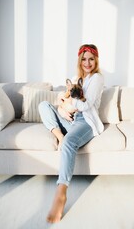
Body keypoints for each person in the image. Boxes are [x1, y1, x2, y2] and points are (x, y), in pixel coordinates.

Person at [38, 44, 104, 223]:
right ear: (79, 60)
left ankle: (61, 193)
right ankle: (60, 136)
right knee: (43, 105)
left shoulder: (96, 78)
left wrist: (66, 102)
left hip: (86, 122)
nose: (87, 62)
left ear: (96, 60)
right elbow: (62, 97)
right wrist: (60, 106)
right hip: (72, 120)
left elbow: (84, 105)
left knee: (69, 142)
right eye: (84, 59)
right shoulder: (76, 78)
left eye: (91, 58)